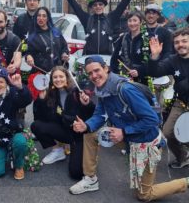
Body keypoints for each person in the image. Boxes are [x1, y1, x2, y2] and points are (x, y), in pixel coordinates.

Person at [70, 55, 188, 201]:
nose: (94, 76)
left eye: (96, 70)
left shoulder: (125, 89)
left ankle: (186, 182)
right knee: (90, 134)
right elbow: (100, 115)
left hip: (145, 143)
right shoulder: (102, 89)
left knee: (144, 195)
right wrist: (86, 125)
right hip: (126, 138)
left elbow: (152, 119)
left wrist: (124, 132)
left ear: (106, 68)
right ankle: (90, 179)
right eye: (90, 73)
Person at [31, 66, 94, 179]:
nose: (58, 79)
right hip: (64, 130)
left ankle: (77, 151)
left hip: (79, 135)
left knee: (75, 174)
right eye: (55, 77)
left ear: (67, 78)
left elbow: (92, 112)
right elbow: (42, 118)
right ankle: (57, 151)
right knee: (36, 126)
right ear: (51, 80)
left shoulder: (77, 91)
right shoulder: (52, 93)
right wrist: (41, 100)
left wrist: (87, 103)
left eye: (61, 76)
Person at [56, 0, 143, 55]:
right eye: (95, 5)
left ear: (104, 6)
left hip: (107, 59)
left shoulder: (110, 18)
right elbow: (75, 7)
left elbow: (123, 3)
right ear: (92, 7)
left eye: (100, 4)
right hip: (89, 58)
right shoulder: (87, 19)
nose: (98, 7)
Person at [148, 27, 189, 168]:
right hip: (182, 103)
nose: (181, 45)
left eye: (184, 41)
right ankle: (184, 157)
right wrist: (154, 56)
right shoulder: (173, 60)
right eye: (177, 42)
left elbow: (184, 86)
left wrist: (180, 86)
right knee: (168, 133)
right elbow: (155, 72)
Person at [111, 11, 156, 83]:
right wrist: (115, 74)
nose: (132, 23)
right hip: (125, 77)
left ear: (141, 22)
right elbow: (114, 58)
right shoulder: (123, 37)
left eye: (135, 20)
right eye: (130, 21)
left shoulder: (149, 38)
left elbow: (153, 61)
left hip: (144, 79)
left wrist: (140, 71)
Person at [26, 6, 69, 73]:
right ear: (36, 18)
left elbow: (64, 46)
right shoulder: (32, 37)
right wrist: (29, 57)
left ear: (48, 18)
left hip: (58, 71)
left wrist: (64, 54)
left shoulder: (56, 32)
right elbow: (28, 52)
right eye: (39, 16)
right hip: (41, 73)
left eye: (44, 16)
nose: (41, 18)